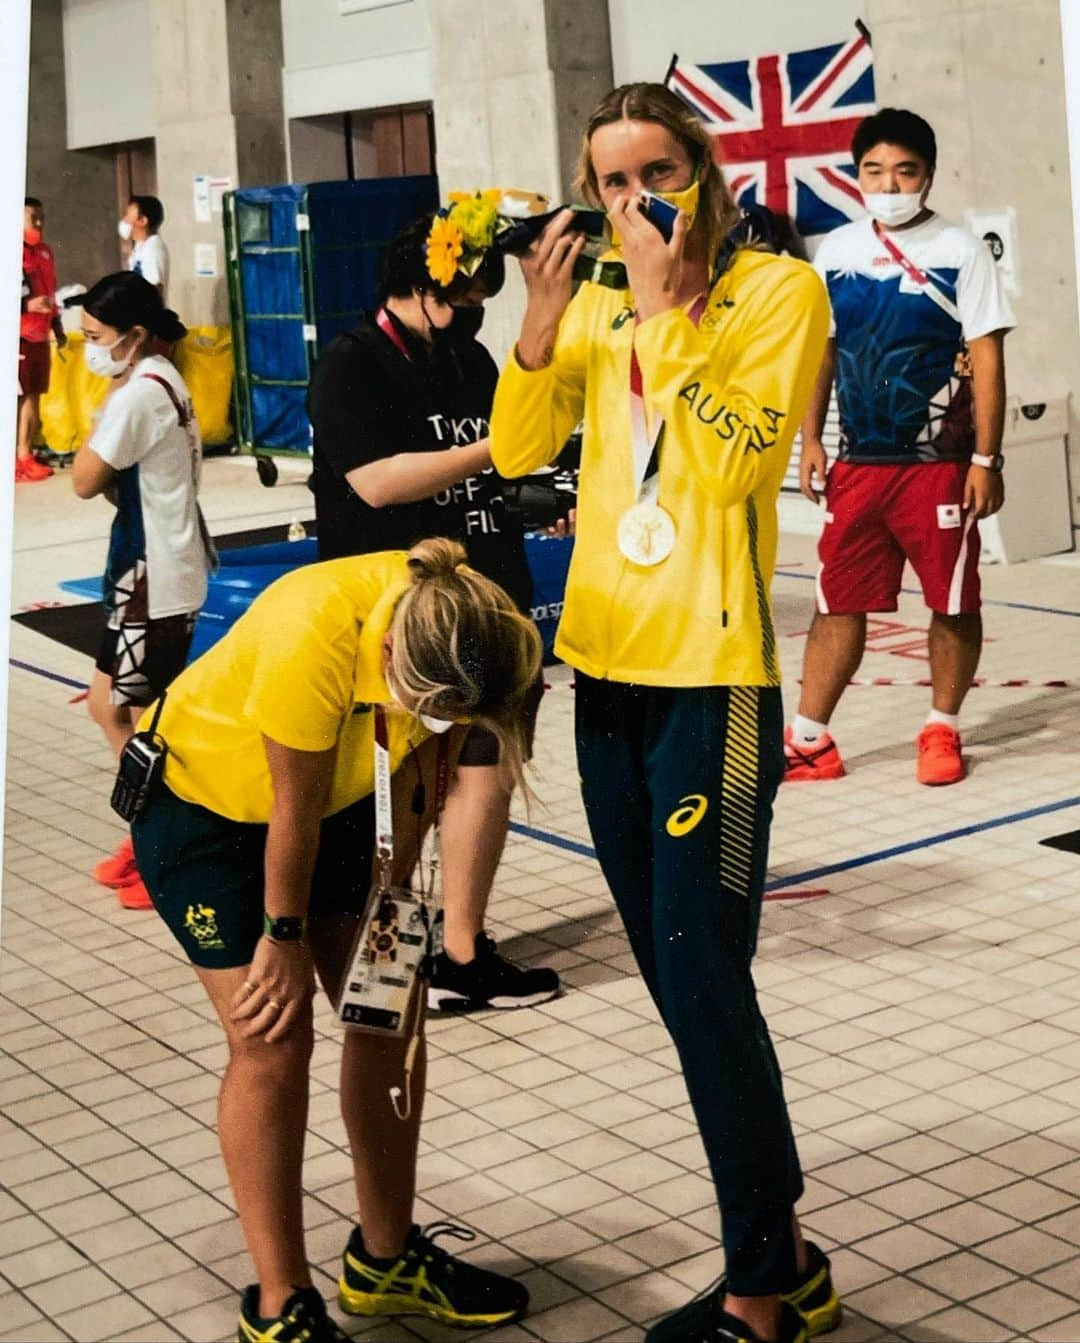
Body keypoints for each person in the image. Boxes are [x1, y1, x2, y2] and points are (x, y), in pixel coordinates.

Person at [491, 83, 840, 1343]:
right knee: (678, 977)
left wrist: (666, 315)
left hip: (717, 681)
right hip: (606, 671)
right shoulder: (587, 304)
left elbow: (742, 457)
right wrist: (539, 324)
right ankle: (784, 1246)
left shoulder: (775, 294)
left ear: (708, 170)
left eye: (659, 172)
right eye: (613, 180)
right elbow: (523, 448)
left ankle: (764, 1281)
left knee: (705, 981)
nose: (638, 200)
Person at [129, 538, 539, 1343]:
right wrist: (283, 938)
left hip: (344, 804)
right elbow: (293, 809)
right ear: (390, 652)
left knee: (392, 1009)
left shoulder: (470, 620)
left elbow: (425, 776)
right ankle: (281, 1300)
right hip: (207, 811)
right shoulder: (309, 627)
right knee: (273, 1038)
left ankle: (385, 1261)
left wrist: (394, 917)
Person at [308, 216, 559, 1013]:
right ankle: (382, 969)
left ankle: (462, 950)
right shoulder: (353, 363)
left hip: (488, 597)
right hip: (398, 613)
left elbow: (500, 462)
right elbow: (377, 482)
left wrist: (535, 481)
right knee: (401, 793)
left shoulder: (468, 355)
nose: (476, 311)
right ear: (419, 289)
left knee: (487, 766)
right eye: (465, 296)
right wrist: (499, 448)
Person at [785, 108, 1014, 787]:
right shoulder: (839, 252)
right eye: (875, 171)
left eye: (904, 171)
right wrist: (812, 442)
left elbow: (989, 361)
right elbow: (819, 355)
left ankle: (941, 726)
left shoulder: (961, 249)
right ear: (857, 177)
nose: (889, 184)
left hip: (939, 465)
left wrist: (985, 459)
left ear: (929, 176)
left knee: (951, 599)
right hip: (857, 464)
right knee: (837, 599)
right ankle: (810, 739)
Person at [70, 272, 212, 909]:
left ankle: (171, 849)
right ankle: (147, 836)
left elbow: (82, 479)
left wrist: (101, 412)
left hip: (155, 579)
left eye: (95, 339)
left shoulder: (138, 394)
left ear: (132, 336)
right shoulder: (163, 376)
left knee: (139, 719)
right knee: (110, 707)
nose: (88, 353)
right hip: (154, 569)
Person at [18, 196, 66, 482]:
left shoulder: (46, 252)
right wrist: (26, 307)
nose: (38, 223)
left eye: (41, 218)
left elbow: (51, 291)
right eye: (32, 217)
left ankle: (26, 453)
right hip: (20, 336)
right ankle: (20, 457)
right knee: (21, 396)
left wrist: (57, 326)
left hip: (39, 336)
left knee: (34, 396)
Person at [120, 194, 170, 301]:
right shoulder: (139, 247)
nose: (124, 220)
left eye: (128, 215)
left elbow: (154, 289)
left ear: (143, 220)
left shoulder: (154, 248)